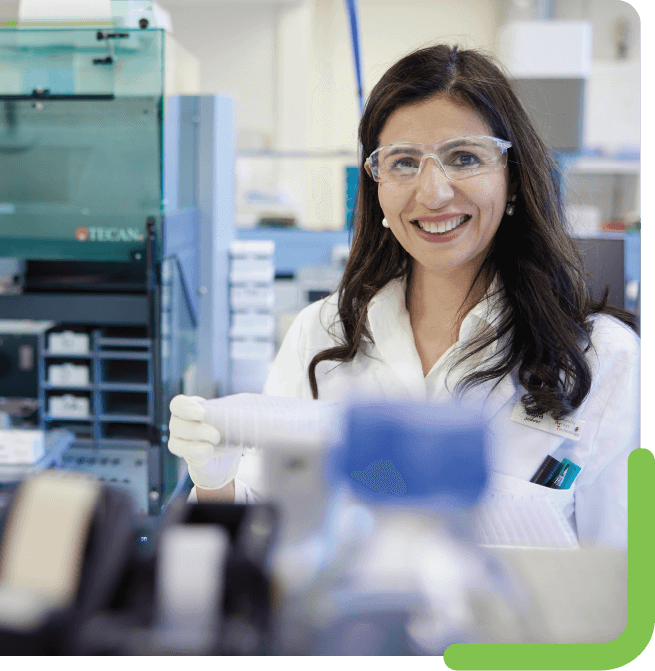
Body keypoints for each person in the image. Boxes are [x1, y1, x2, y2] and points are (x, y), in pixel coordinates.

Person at [167, 43, 640, 549]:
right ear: (376, 188)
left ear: (514, 180)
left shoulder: (602, 360)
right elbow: (273, 534)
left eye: (463, 157)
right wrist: (215, 481)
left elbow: (621, 587)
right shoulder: (323, 334)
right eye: (403, 162)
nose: (433, 192)